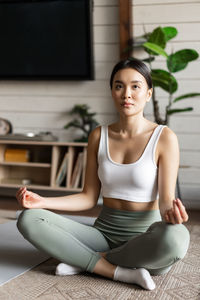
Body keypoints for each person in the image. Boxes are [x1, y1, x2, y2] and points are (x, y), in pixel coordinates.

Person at [16, 58, 190, 291]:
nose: (126, 94)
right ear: (112, 92)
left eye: (135, 86)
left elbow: (166, 199)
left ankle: (88, 260)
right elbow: (88, 197)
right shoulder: (99, 135)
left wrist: (172, 214)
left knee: (175, 241)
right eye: (119, 86)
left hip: (144, 238)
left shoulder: (164, 137)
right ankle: (117, 271)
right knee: (29, 219)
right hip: (102, 233)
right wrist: (42, 201)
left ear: (148, 93)